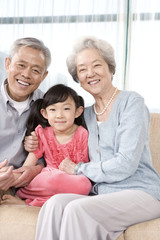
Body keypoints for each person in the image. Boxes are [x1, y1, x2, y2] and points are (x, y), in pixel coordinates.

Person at [35, 36, 160, 240]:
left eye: (96, 65)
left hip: (141, 191)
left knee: (77, 210)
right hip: (103, 194)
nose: (90, 73)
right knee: (54, 204)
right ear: (78, 78)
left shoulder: (131, 102)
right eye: (82, 69)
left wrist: (79, 169)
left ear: (110, 68)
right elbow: (58, 136)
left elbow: (126, 163)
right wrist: (34, 143)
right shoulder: (86, 114)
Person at [1, 84, 92, 207]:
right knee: (50, 180)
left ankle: (30, 203)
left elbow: (84, 167)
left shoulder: (82, 134)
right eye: (53, 110)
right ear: (44, 114)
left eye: (66, 109)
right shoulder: (42, 133)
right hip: (47, 178)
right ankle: (38, 200)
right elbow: (28, 165)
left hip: (72, 179)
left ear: (77, 112)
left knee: (84, 185)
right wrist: (11, 176)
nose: (59, 115)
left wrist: (73, 170)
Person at [0, 37, 51, 193]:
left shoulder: (50, 108)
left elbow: (56, 151)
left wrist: (35, 169)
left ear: (43, 76)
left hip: (27, 186)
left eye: (35, 70)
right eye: (21, 65)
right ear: (7, 64)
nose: (26, 74)